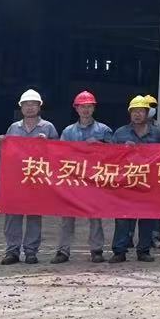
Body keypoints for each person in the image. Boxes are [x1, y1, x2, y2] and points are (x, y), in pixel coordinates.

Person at [0, 91, 56, 264]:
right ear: (21, 107)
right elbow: (6, 153)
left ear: (39, 106)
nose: (30, 107)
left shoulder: (48, 127)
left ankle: (31, 251)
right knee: (13, 215)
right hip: (16, 178)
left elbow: (58, 153)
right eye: (26, 104)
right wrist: (0, 143)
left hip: (37, 177)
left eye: (33, 104)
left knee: (34, 215)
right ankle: (12, 251)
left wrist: (47, 143)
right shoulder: (14, 128)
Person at [57, 90, 113, 263]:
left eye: (89, 106)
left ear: (94, 108)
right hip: (73, 179)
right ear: (76, 109)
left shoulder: (103, 130)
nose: (86, 110)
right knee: (67, 217)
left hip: (94, 179)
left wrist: (99, 145)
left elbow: (115, 154)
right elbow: (58, 154)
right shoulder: (68, 132)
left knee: (95, 216)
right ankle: (63, 251)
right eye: (82, 107)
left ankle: (96, 250)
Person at [112, 95, 160, 261]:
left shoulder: (158, 133)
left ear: (147, 113)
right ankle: (119, 251)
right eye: (134, 111)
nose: (137, 114)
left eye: (141, 111)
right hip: (126, 182)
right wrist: (123, 150)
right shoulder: (120, 133)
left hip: (148, 182)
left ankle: (143, 250)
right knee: (123, 218)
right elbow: (111, 158)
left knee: (147, 218)